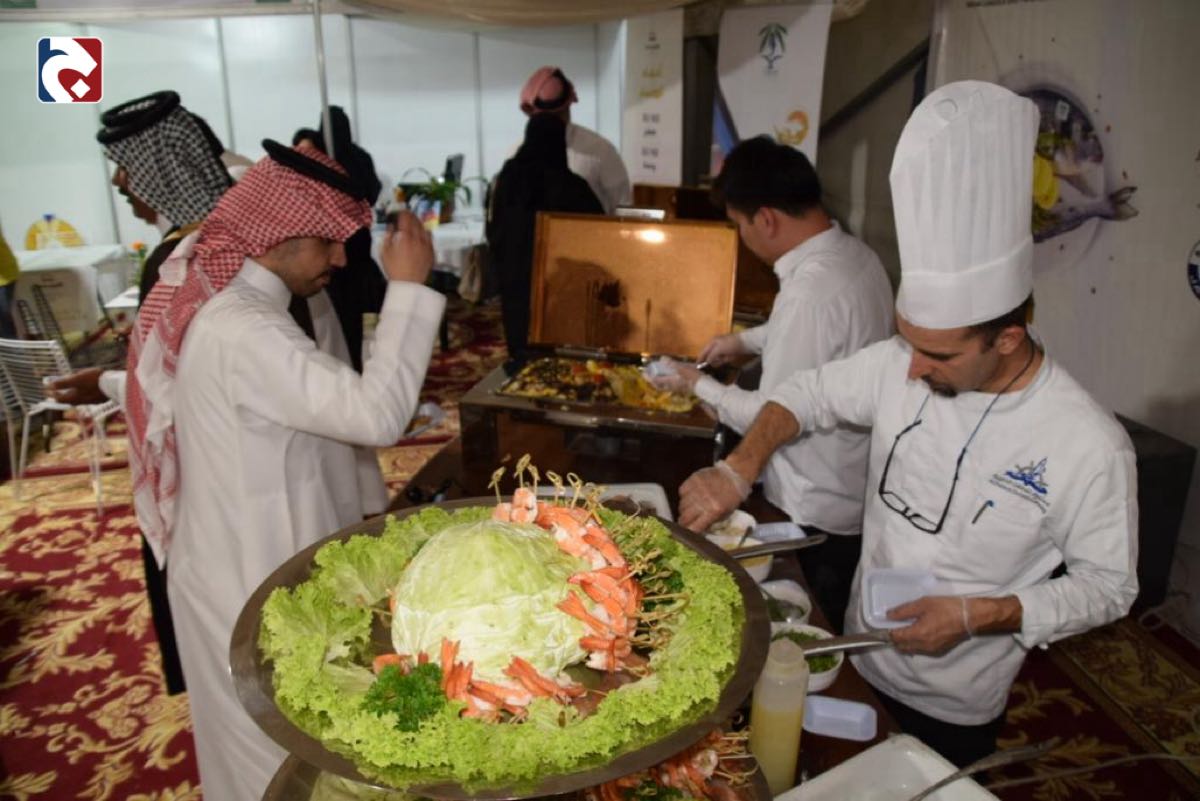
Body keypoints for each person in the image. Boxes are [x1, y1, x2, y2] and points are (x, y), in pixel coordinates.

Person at [676, 82, 1138, 767]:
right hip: (856, 652)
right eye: (909, 344)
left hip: (956, 694)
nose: (913, 369)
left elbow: (1108, 586)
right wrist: (736, 469)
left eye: (939, 356)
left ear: (1008, 339)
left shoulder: (1087, 444)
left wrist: (981, 614)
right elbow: (805, 393)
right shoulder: (901, 362)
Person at [124, 141, 443, 800]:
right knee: (268, 762)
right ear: (278, 236)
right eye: (328, 241)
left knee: (294, 746)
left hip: (256, 553)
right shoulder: (243, 328)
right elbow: (376, 414)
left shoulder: (251, 310)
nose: (340, 258)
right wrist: (409, 287)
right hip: (238, 577)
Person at [650, 136, 894, 632]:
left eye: (739, 225)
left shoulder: (809, 292)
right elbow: (815, 335)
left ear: (765, 219)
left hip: (814, 499)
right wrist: (743, 341)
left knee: (804, 621)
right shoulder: (856, 256)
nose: (743, 237)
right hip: (851, 483)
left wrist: (696, 384)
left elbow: (770, 413)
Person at [487, 112, 603, 358]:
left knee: (520, 338)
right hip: (560, 282)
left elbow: (493, 227)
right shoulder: (572, 186)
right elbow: (597, 233)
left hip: (515, 278)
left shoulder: (506, 180)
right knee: (556, 347)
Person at [293, 105, 388, 371]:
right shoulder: (359, 157)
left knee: (345, 323)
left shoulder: (322, 161)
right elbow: (373, 192)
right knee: (367, 321)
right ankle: (369, 364)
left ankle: (354, 367)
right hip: (359, 255)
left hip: (338, 263)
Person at [519, 66, 631, 214]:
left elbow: (624, 211)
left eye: (556, 115)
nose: (552, 123)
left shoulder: (601, 150)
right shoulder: (515, 156)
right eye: (546, 116)